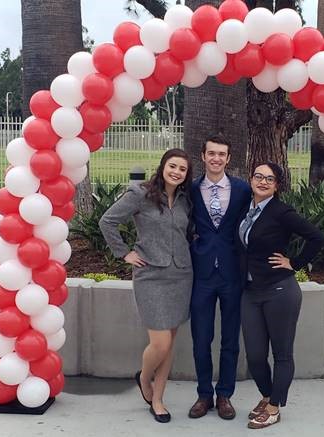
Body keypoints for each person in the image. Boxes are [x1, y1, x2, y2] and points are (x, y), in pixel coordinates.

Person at [99, 149, 193, 424]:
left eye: (182, 169)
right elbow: (108, 221)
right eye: (172, 166)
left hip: (182, 275)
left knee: (171, 342)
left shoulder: (186, 200)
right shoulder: (141, 193)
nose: (176, 172)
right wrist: (124, 252)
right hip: (150, 275)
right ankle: (143, 377)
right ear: (163, 166)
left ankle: (159, 399)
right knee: (160, 342)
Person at [237, 162, 324, 429]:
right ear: (251, 179)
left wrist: (295, 263)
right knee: (254, 356)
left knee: (282, 354)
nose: (263, 182)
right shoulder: (246, 208)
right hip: (250, 292)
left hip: (279, 291)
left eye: (270, 179)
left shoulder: (281, 212)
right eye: (258, 177)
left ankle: (275, 406)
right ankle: (267, 395)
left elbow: (317, 238)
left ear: (277, 185)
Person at [188, 134, 251, 420]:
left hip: (232, 274)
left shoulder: (242, 190)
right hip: (201, 274)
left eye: (221, 154)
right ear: (203, 156)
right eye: (211, 153)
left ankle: (224, 394)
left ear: (228, 158)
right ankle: (204, 394)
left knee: (230, 339)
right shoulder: (190, 189)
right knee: (201, 338)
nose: (216, 158)